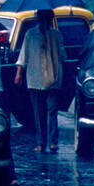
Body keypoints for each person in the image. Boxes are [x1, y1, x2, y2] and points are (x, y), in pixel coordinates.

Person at [14, 9, 65, 152]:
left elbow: (62, 56)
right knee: (38, 113)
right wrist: (19, 73)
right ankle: (40, 142)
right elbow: (23, 56)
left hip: (53, 79)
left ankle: (53, 142)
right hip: (35, 78)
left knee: (52, 111)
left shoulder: (56, 35)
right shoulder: (30, 34)